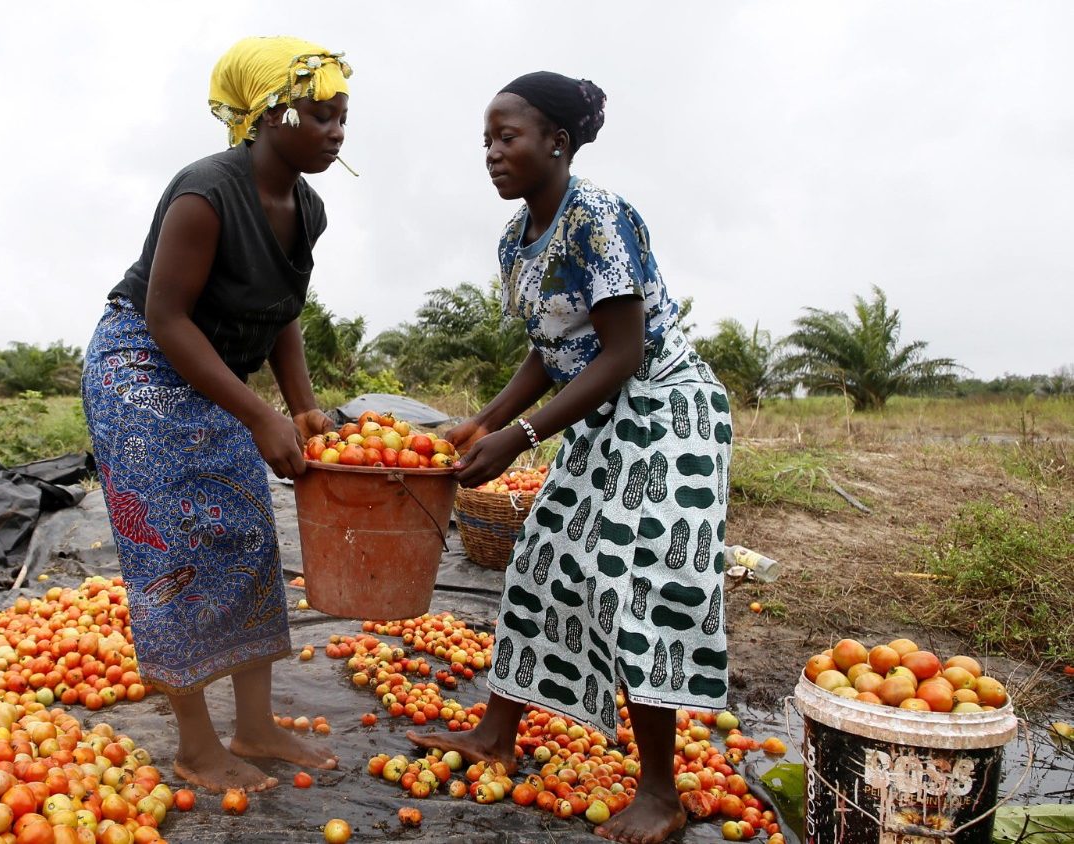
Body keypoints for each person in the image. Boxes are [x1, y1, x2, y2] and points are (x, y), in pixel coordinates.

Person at [407, 72, 732, 844]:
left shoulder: (598, 218)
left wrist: (517, 439)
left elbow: (621, 354)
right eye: (485, 139)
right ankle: (495, 733)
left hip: (662, 411)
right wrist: (479, 421)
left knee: (630, 585)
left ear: (557, 140)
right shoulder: (514, 240)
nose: (491, 152)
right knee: (542, 562)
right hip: (600, 412)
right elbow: (550, 351)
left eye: (506, 136)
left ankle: (661, 792)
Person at [81, 36, 349, 792]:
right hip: (142, 369)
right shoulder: (205, 193)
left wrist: (301, 408)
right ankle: (196, 745)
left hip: (218, 375)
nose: (335, 131)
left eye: (342, 116)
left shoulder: (308, 206)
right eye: (319, 114)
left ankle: (256, 729)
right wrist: (260, 416)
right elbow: (167, 318)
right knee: (176, 550)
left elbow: (282, 312)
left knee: (247, 534)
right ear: (267, 115)